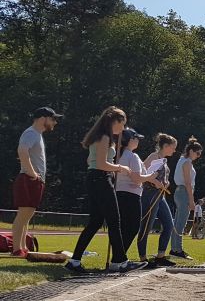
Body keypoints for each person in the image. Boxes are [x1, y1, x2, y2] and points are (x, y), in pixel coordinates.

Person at [66, 107, 146, 273]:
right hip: (101, 179)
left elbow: (91, 160)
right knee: (114, 221)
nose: (123, 128)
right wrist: (120, 168)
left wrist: (112, 168)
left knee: (95, 222)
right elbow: (102, 164)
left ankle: (75, 260)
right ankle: (120, 261)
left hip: (96, 178)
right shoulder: (104, 137)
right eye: (122, 124)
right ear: (114, 121)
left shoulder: (100, 137)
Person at [10, 106, 62, 258]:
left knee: (27, 216)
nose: (55, 122)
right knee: (23, 215)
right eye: (53, 119)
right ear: (43, 118)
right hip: (28, 179)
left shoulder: (37, 134)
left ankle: (23, 247)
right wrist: (32, 173)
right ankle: (16, 249)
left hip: (33, 180)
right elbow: (22, 151)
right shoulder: (31, 133)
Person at [114, 128, 163, 257]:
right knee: (132, 228)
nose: (138, 141)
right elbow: (137, 179)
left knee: (123, 227)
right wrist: (151, 176)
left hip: (119, 193)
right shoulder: (132, 156)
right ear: (130, 140)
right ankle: (119, 257)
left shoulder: (118, 155)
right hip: (131, 195)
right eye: (136, 139)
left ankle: (118, 257)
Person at [136, 133, 179, 268]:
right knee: (146, 226)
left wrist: (166, 183)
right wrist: (155, 182)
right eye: (173, 147)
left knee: (169, 224)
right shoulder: (153, 156)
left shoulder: (164, 160)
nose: (174, 150)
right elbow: (142, 173)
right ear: (165, 146)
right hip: (150, 195)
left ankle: (160, 256)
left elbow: (162, 177)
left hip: (160, 196)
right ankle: (143, 259)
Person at [170, 136, 202, 259]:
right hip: (184, 192)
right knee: (181, 223)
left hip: (179, 191)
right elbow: (188, 183)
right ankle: (178, 249)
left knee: (177, 222)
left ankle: (174, 248)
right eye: (197, 153)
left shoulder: (181, 159)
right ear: (191, 151)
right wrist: (191, 200)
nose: (198, 156)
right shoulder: (187, 162)